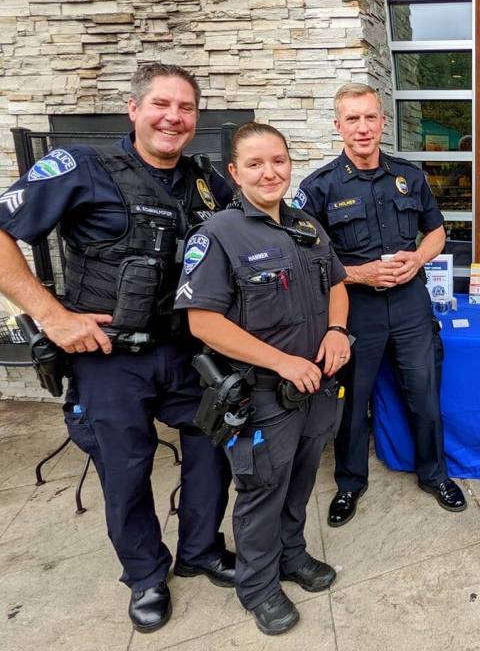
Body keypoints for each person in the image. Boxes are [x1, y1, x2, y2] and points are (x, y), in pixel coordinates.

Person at [0, 63, 235, 632]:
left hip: (189, 352)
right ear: (134, 109)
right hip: (109, 358)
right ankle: (146, 576)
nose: (173, 118)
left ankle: (201, 549)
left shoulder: (206, 181)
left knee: (213, 446)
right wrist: (52, 317)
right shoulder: (81, 166)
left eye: (185, 108)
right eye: (161, 104)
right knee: (126, 471)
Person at [174, 122, 350, 634]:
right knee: (262, 490)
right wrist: (280, 362)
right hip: (263, 394)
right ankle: (258, 585)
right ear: (235, 172)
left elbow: (337, 283)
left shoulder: (305, 226)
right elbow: (202, 321)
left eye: (278, 160)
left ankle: (291, 558)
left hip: (316, 386)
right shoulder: (218, 235)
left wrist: (338, 329)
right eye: (255, 164)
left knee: (300, 482)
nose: (269, 172)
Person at [296, 82, 466, 528]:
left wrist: (419, 258)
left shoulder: (409, 175)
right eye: (352, 119)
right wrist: (358, 273)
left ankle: (435, 474)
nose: (363, 127)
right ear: (338, 126)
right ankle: (350, 483)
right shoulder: (318, 188)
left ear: (383, 122)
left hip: (410, 304)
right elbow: (309, 260)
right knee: (353, 403)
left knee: (425, 394)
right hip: (355, 310)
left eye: (370, 117)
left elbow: (436, 231)